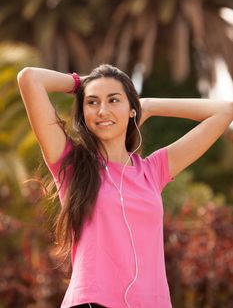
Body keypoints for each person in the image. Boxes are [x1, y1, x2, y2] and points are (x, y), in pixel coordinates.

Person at [17, 64, 233, 308]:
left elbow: (224, 111)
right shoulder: (70, 164)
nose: (102, 110)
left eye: (113, 100)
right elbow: (29, 78)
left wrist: (148, 105)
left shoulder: (154, 169)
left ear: (132, 110)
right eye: (92, 102)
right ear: (83, 112)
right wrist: (83, 83)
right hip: (92, 302)